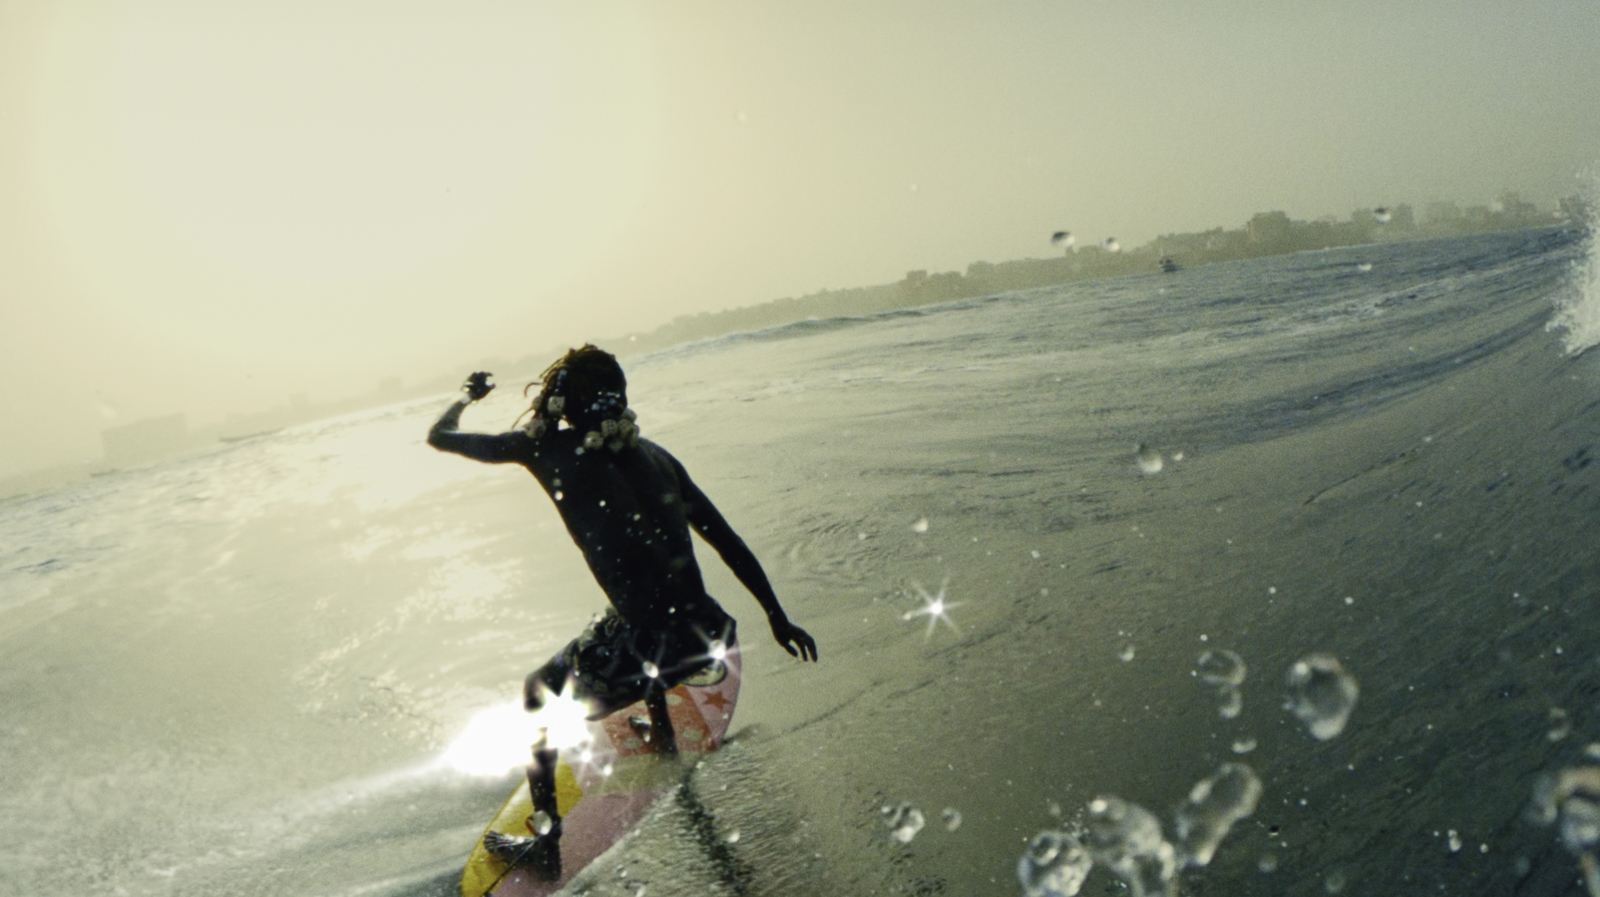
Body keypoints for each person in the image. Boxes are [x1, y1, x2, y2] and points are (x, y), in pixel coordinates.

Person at [427, 344, 817, 879]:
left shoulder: (545, 451)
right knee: (620, 617)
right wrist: (777, 616)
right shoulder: (658, 457)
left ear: (563, 398)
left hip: (647, 650)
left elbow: (439, 438)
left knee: (538, 690)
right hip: (708, 639)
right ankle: (660, 729)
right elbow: (728, 542)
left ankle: (545, 840)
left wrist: (463, 400)